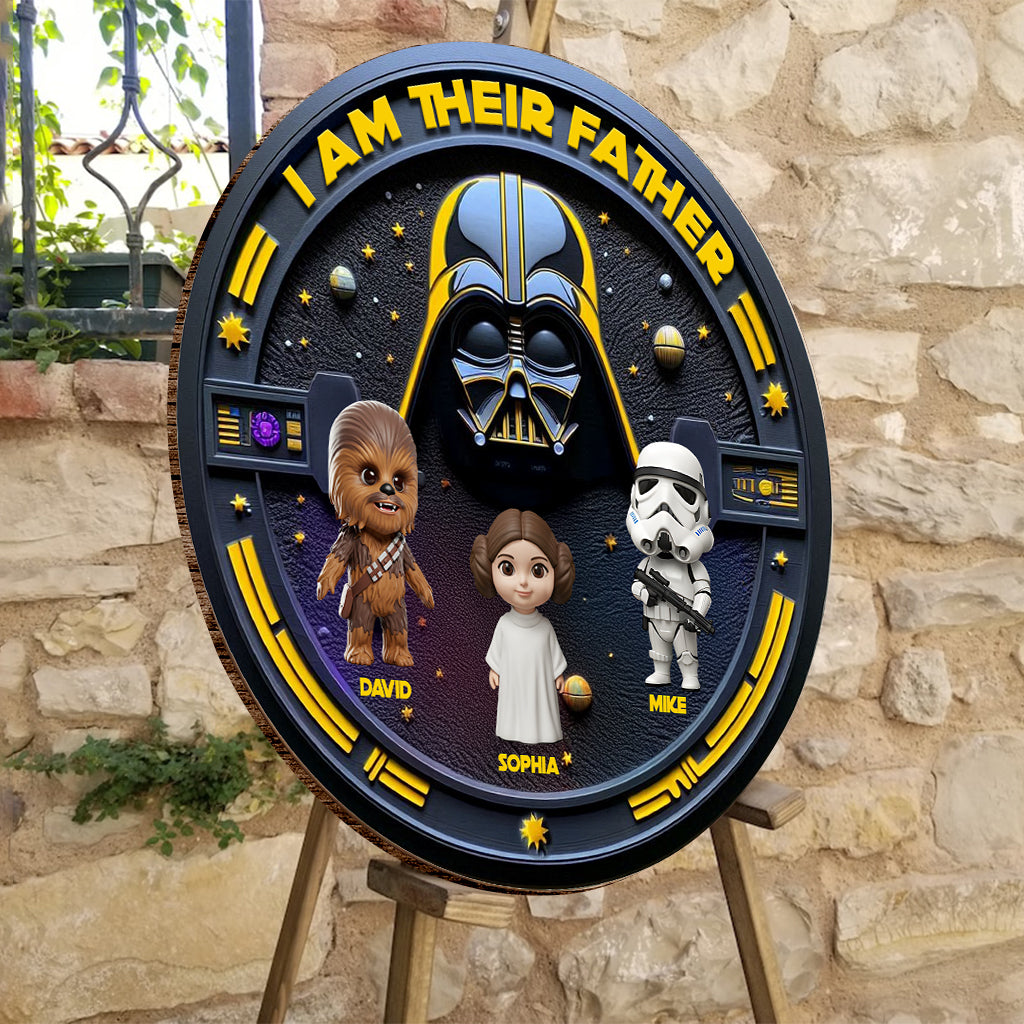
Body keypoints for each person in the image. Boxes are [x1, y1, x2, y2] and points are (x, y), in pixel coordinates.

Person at [470, 509, 575, 744]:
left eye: (538, 571)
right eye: (508, 569)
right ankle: (513, 732)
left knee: (540, 707)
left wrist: (558, 674)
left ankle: (542, 733)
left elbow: (553, 653)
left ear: (556, 573)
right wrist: (495, 670)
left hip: (540, 681)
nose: (523, 582)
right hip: (513, 681)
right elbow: (497, 651)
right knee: (514, 707)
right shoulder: (504, 624)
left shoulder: (545, 626)